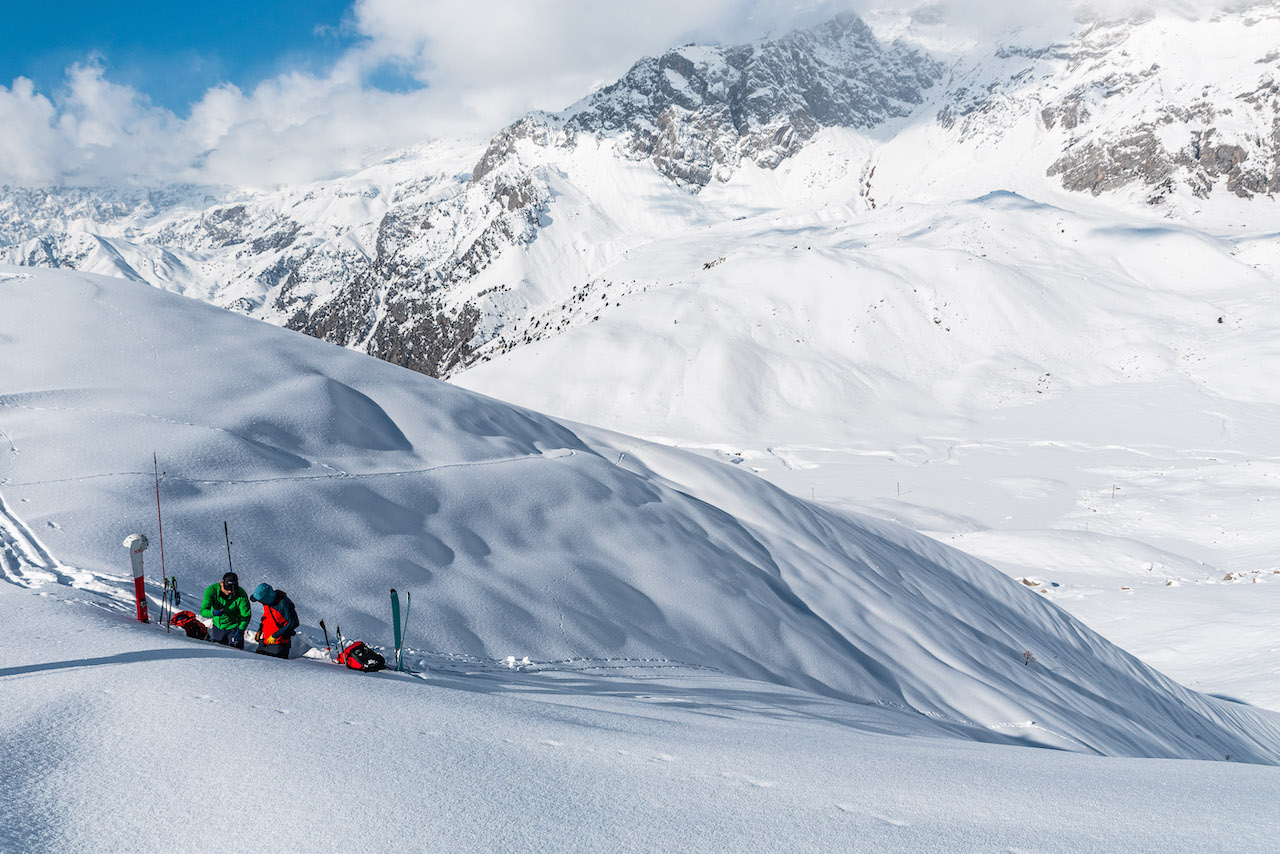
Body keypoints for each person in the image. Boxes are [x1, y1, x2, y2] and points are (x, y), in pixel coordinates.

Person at [200, 572, 252, 649]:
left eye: (233, 589)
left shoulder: (241, 594)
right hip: (218, 626)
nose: (230, 592)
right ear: (221, 583)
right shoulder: (211, 591)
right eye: (227, 589)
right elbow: (203, 611)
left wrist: (241, 629)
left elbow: (246, 614)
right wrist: (213, 613)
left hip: (234, 626)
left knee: (236, 650)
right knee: (217, 649)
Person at [250, 583, 299, 659]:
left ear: (266, 598)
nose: (259, 602)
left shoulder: (284, 604)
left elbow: (293, 623)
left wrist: (275, 635)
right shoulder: (267, 603)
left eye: (260, 600)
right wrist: (260, 630)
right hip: (265, 642)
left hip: (279, 646)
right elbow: (266, 618)